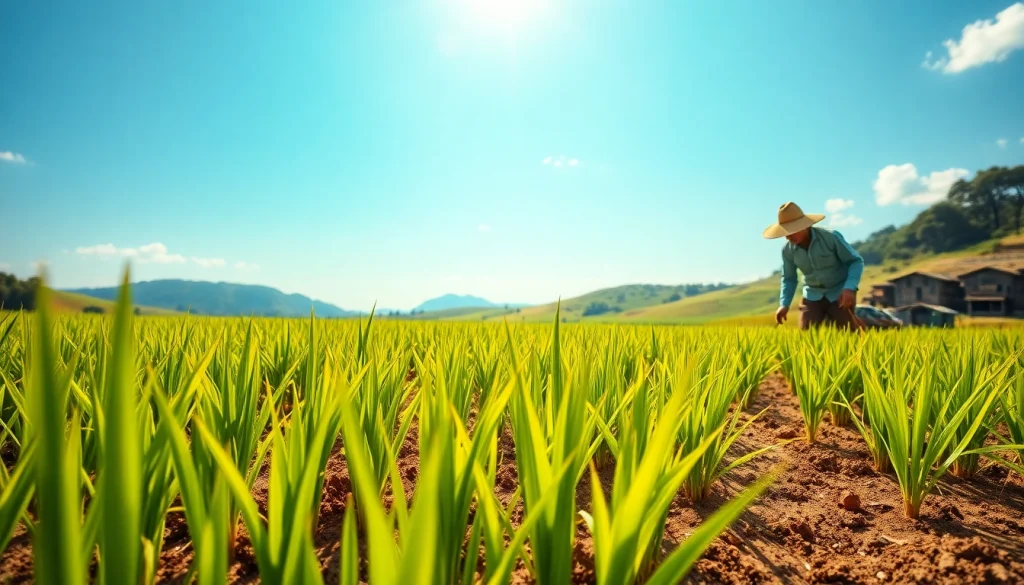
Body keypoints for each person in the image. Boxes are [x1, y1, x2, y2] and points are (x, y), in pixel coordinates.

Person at [763, 202, 864, 329]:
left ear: (804, 226)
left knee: (849, 334)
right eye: (785, 232)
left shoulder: (830, 237)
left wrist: (850, 288)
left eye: (791, 231)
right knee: (806, 336)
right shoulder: (787, 250)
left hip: (839, 293)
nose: (788, 236)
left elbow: (855, 261)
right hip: (812, 295)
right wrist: (784, 304)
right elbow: (789, 279)